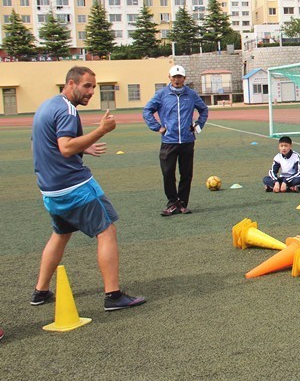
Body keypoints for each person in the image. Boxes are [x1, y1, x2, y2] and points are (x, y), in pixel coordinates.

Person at [31, 66, 145, 311]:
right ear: (71, 84)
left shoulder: (46, 106)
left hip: (50, 191)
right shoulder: (67, 110)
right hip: (74, 186)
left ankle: (40, 291)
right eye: (86, 86)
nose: (91, 92)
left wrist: (84, 147)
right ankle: (113, 296)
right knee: (107, 231)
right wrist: (100, 131)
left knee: (60, 234)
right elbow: (65, 147)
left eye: (93, 86)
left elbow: (46, 143)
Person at [142, 64, 208, 216]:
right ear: (169, 77)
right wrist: (157, 127)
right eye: (174, 77)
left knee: (186, 174)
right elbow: (147, 110)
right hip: (169, 141)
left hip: (187, 141)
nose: (177, 80)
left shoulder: (191, 94)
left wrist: (198, 126)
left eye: (180, 77)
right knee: (168, 173)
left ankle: (183, 203)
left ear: (184, 78)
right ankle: (172, 203)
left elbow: (203, 109)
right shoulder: (162, 94)